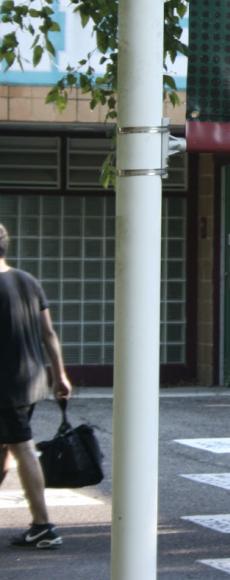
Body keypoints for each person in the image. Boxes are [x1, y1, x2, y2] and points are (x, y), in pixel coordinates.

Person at [1, 222, 72, 549]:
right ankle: (41, 524)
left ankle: (43, 526)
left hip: (6, 385)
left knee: (22, 447)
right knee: (4, 448)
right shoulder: (27, 280)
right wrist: (59, 376)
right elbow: (48, 334)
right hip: (30, 381)